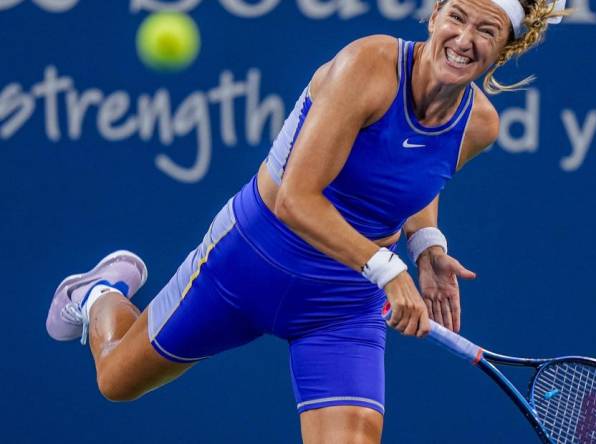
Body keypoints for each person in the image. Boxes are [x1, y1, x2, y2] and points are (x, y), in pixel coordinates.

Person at [45, 0, 566, 442]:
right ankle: (99, 294)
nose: (464, 38)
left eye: (486, 30)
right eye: (456, 17)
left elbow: (410, 179)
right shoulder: (369, 64)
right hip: (248, 261)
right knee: (116, 380)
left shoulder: (479, 125)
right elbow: (295, 198)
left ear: (504, 49)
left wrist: (426, 244)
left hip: (342, 304)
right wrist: (387, 269)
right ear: (433, 16)